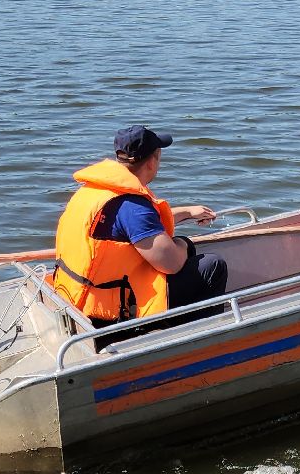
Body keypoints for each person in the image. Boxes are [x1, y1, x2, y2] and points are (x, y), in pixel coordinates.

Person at [51, 125, 229, 334]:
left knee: (178, 248)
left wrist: (188, 212)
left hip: (73, 297)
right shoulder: (133, 208)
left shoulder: (96, 191)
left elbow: (133, 227)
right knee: (212, 265)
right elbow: (171, 264)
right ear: (153, 161)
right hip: (111, 315)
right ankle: (197, 340)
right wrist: (183, 244)